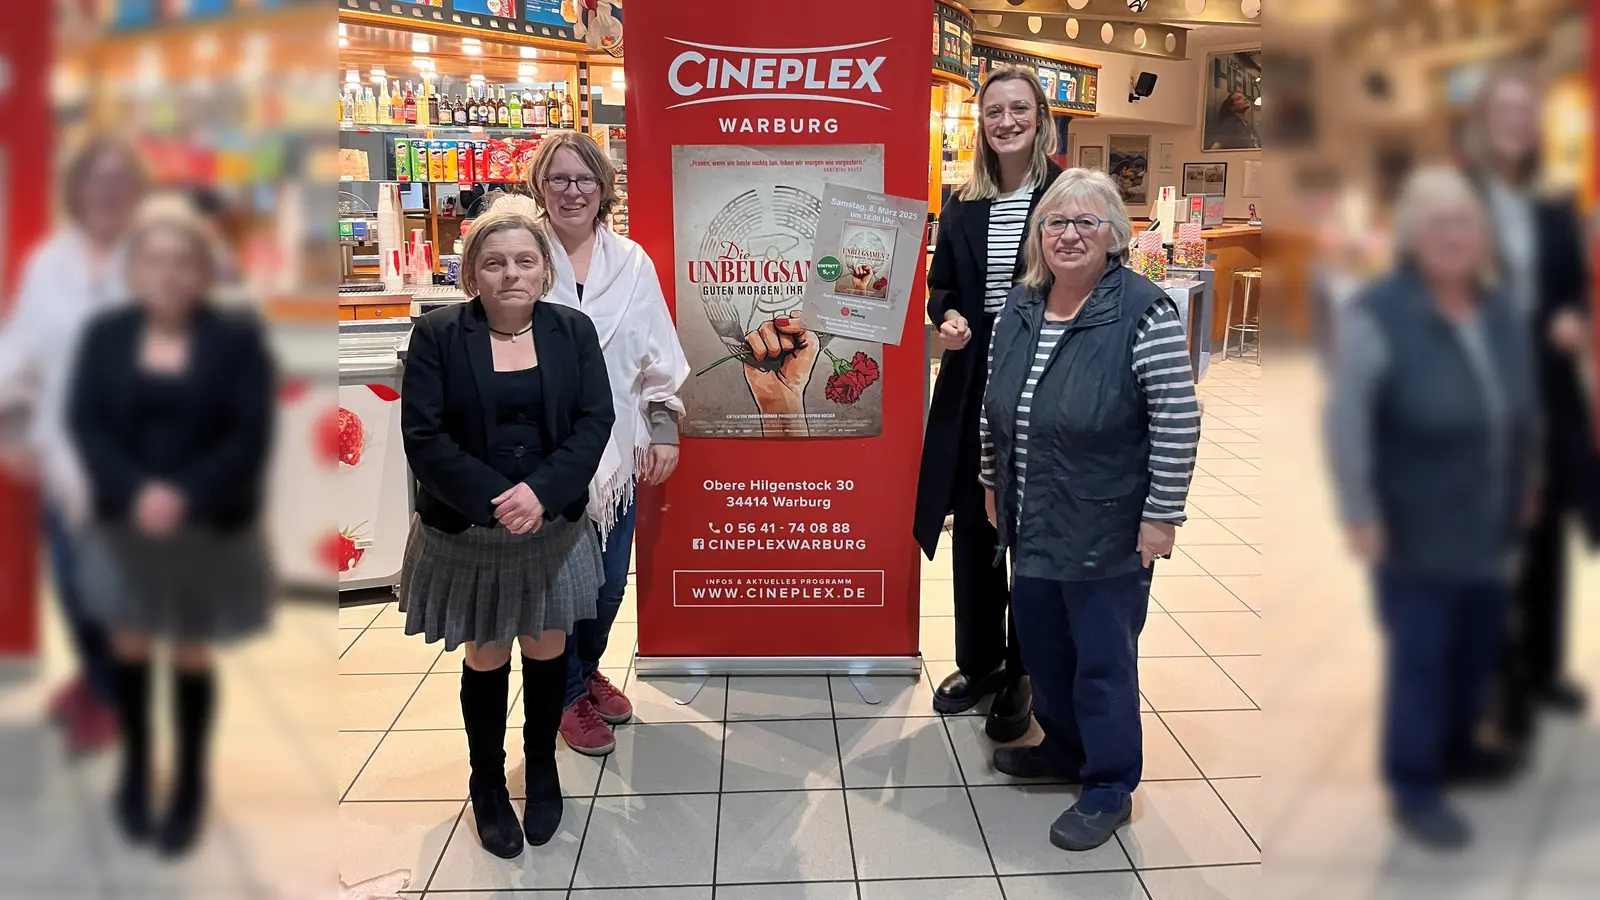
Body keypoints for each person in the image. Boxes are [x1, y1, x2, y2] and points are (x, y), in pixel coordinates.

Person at [980, 168, 1198, 852]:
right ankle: (1064, 749)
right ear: (1038, 235)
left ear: (1114, 235)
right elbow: (996, 406)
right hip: (1034, 516)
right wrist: (992, 481)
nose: (1069, 235)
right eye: (1055, 223)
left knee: (1102, 659)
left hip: (1107, 523)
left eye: (1086, 222)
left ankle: (1108, 784)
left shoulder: (1142, 309)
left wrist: (1162, 513)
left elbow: (1177, 418)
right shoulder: (1020, 307)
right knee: (1044, 646)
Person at [1325, 167, 1539, 850]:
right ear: (1413, 236)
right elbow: (1347, 422)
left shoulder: (1498, 308)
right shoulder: (1379, 314)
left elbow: (1522, 402)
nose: (1454, 236)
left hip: (1490, 514)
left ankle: (1458, 748)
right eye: (1438, 223)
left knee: (1478, 647)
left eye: (1466, 223)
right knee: (1422, 655)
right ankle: (1416, 781)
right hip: (1414, 520)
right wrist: (1361, 512)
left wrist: (1529, 476)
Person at [398, 195, 614, 859]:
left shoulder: (571, 332)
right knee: (487, 653)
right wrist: (499, 498)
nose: (510, 274)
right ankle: (487, 781)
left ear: (545, 272)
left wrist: (541, 494)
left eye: (524, 260)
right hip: (469, 530)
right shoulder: (438, 336)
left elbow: (593, 422)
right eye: (493, 263)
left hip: (550, 528)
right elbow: (424, 437)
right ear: (471, 275)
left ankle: (541, 767)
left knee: (548, 647)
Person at [67, 195, 276, 856]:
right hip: (125, 521)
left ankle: (186, 782)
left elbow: (249, 435)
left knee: (190, 648)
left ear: (203, 271)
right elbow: (87, 423)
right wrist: (137, 492)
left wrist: (181, 496)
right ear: (133, 270)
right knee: (129, 645)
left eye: (183, 260)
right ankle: (135, 772)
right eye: (154, 260)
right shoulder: (105, 337)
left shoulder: (235, 340)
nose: (168, 273)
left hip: (206, 522)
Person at [526, 132, 689, 757]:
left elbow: (658, 354)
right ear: (540, 186)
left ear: (604, 188)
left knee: (608, 584)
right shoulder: (524, 252)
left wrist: (666, 427)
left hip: (617, 452)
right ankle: (567, 693)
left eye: (584, 179)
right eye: (559, 179)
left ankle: (584, 668)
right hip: (540, 456)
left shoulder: (632, 262)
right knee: (556, 587)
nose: (573, 191)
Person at [914, 63, 1062, 741]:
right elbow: (941, 286)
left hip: (1043, 383)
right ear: (981, 123)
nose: (1005, 121)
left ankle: (1025, 672)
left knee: (1027, 533)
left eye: (1018, 110)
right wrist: (944, 317)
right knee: (975, 525)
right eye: (994, 111)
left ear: (1039, 118)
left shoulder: (1063, 193)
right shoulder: (964, 202)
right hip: (974, 381)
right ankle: (980, 662)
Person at [1462, 68, 1600, 743]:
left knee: (1546, 537)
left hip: (1547, 394)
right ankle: (1497, 681)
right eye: (1505, 111)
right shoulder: (1457, 201)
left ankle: (1544, 670)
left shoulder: (1554, 207)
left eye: (1527, 113)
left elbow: (1573, 289)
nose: (1517, 124)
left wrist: (1573, 318)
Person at [0, 135, 146, 755]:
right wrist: (12, 425)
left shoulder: (151, 261)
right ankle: (94, 676)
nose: (107, 193)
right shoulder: (48, 264)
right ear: (77, 191)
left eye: (119, 182)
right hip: (60, 448)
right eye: (96, 180)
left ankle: (112, 697)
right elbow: (18, 348)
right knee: (70, 577)